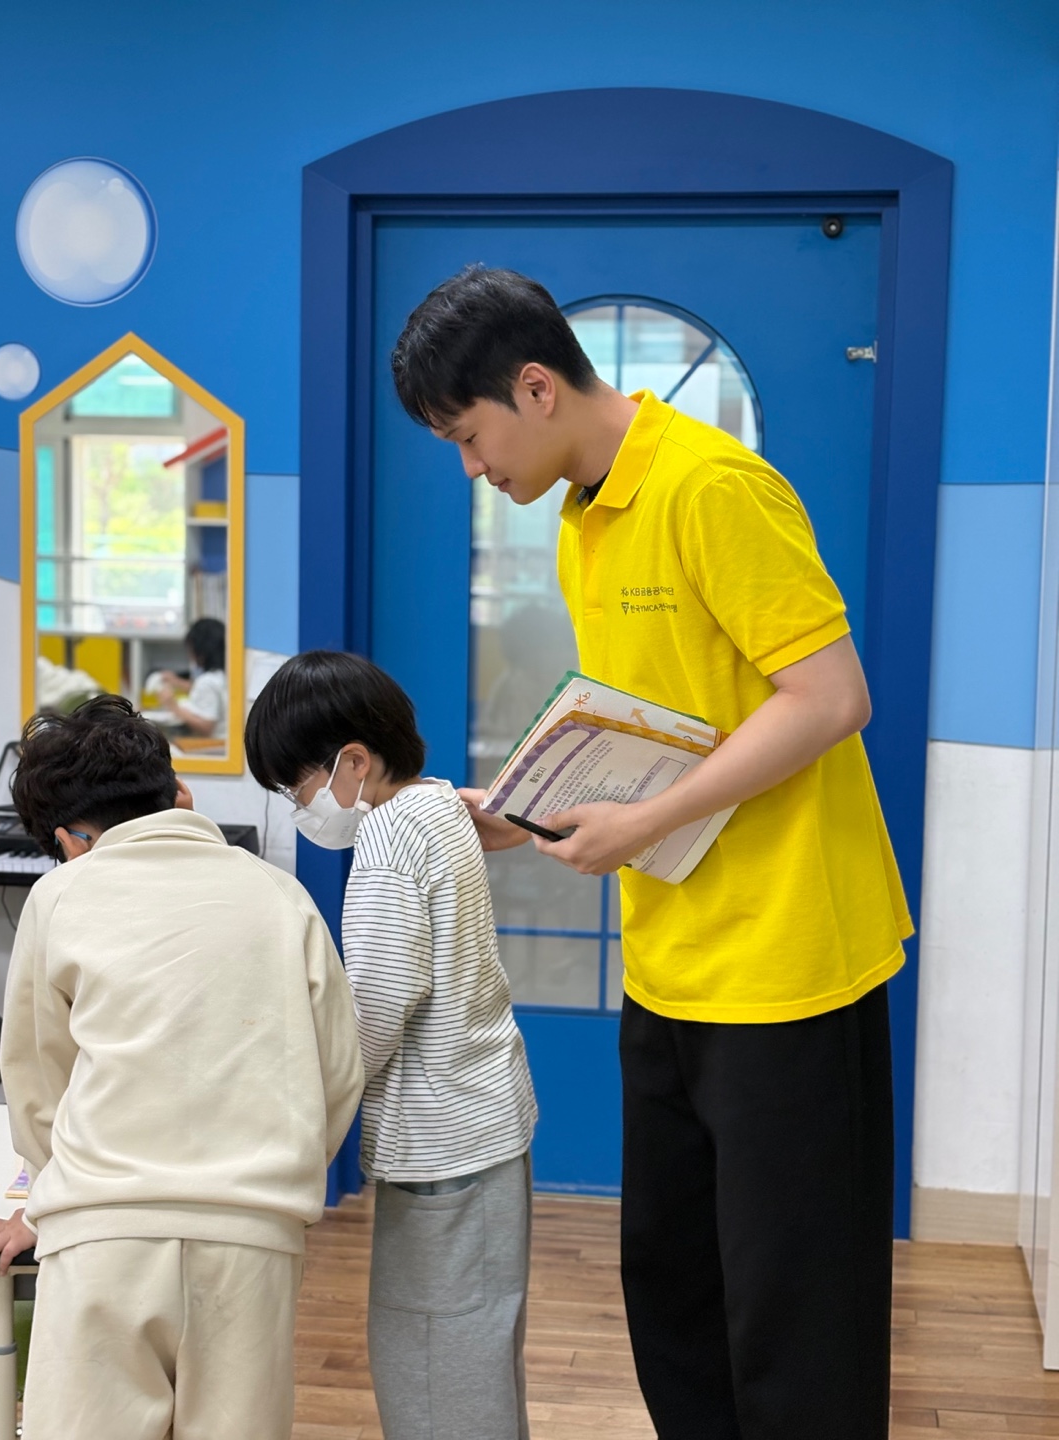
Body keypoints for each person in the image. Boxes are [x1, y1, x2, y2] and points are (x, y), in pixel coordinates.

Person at [390, 265, 913, 1440]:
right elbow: (656, 730)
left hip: (791, 964)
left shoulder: (712, 486)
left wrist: (647, 822)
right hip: (670, 960)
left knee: (797, 1319)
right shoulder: (581, 518)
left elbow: (831, 698)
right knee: (676, 1296)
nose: (471, 468)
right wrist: (525, 810)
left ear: (536, 388)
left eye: (468, 437)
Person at [0, 694, 364, 1440]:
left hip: (103, 1237)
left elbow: (34, 1081)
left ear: (69, 839)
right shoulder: (281, 896)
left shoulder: (60, 896)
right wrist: (272, 1177)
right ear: (177, 792)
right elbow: (338, 1070)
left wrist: (57, 1194)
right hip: (253, 1236)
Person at [245, 649, 537, 1440]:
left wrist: (299, 1119)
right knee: (473, 1354)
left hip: (446, 1144)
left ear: (354, 762)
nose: (299, 807)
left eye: (297, 787)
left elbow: (373, 1010)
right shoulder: (436, 804)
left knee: (436, 1371)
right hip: (484, 1123)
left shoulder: (386, 837)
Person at [158, 615, 227, 737]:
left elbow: (206, 727)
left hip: (212, 744)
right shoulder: (221, 675)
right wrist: (177, 682)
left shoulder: (207, 681)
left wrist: (173, 706)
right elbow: (204, 693)